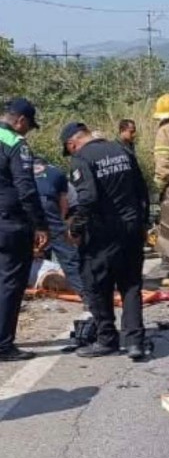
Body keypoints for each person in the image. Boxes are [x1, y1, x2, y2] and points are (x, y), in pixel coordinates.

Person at [61, 122, 150, 359]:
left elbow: (88, 198)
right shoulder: (122, 150)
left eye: (69, 149)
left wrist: (76, 229)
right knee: (130, 285)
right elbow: (141, 190)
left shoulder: (81, 158)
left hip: (102, 233)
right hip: (130, 228)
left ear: (72, 144)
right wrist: (144, 224)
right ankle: (135, 342)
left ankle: (107, 339)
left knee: (97, 284)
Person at [0, 98, 49, 361]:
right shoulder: (16, 145)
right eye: (28, 125)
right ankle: (3, 345)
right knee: (10, 283)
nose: (27, 131)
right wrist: (39, 224)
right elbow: (26, 188)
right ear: (20, 120)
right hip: (10, 223)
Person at [32, 157, 83, 298]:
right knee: (67, 254)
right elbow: (63, 204)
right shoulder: (57, 173)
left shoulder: (21, 169)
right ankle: (85, 293)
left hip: (25, 204)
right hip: (48, 203)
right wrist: (59, 227)